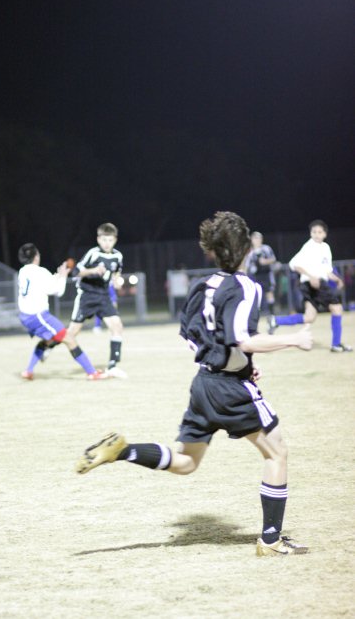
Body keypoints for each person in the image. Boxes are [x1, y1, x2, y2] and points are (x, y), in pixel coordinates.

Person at [76, 211, 313, 557]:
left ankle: (122, 450)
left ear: (212, 252)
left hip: (204, 384)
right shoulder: (246, 286)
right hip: (231, 388)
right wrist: (293, 340)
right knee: (277, 453)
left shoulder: (203, 286)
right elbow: (242, 338)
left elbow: (192, 336)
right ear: (247, 249)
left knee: (186, 463)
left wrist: (238, 361)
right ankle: (271, 540)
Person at [17, 243, 107, 381]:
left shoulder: (23, 272)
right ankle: (92, 372)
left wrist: (57, 276)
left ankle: (28, 371)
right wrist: (63, 276)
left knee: (48, 341)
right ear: (36, 257)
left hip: (25, 315)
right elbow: (58, 292)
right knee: (69, 338)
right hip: (38, 315)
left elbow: (40, 284)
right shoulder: (40, 271)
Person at [268, 220, 352, 353]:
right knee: (337, 308)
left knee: (309, 317)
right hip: (312, 283)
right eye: (314, 232)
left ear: (325, 234)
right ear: (310, 233)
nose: (316, 234)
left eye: (319, 232)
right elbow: (294, 264)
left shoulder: (325, 248)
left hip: (316, 283)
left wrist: (337, 279)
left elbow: (327, 270)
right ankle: (336, 345)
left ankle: (276, 320)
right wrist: (311, 276)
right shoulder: (309, 246)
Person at [67, 223, 126, 377]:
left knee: (117, 326)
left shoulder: (118, 256)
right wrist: (93, 270)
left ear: (115, 240)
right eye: (104, 240)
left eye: (110, 240)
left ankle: (113, 366)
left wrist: (118, 281)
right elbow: (76, 271)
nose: (107, 243)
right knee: (71, 334)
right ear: (99, 239)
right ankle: (47, 346)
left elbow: (117, 274)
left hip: (103, 296)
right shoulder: (93, 253)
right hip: (87, 295)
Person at [246, 232, 277, 316]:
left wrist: (265, 261)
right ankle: (255, 315)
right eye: (255, 238)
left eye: (259, 238)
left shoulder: (266, 248)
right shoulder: (250, 252)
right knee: (254, 295)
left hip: (266, 275)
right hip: (255, 276)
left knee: (269, 293)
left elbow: (273, 259)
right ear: (252, 240)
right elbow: (247, 265)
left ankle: (272, 315)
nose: (257, 240)